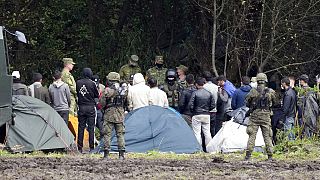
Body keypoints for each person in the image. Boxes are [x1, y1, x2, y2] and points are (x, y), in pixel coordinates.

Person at [245, 73, 278, 160]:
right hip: (266, 116)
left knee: (252, 135)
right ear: (265, 81)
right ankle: (270, 155)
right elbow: (275, 103)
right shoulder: (270, 92)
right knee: (267, 136)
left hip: (255, 116)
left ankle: (248, 155)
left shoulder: (253, 91)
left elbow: (247, 102)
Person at [100, 72, 126, 160]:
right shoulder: (123, 90)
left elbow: (102, 103)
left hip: (109, 114)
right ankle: (121, 155)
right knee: (120, 134)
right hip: (120, 114)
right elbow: (126, 102)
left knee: (107, 134)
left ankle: (106, 155)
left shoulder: (107, 90)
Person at [76, 68, 99, 152]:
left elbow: (77, 93)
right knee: (91, 127)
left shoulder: (78, 83)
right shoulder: (92, 83)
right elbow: (96, 95)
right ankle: (91, 147)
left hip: (81, 107)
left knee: (81, 127)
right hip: (90, 107)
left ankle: (79, 147)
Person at [188, 77, 215, 148]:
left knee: (197, 133)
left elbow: (190, 105)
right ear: (203, 84)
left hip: (196, 114)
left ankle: (198, 148)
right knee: (207, 133)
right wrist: (208, 110)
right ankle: (210, 149)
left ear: (196, 84)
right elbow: (213, 105)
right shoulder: (209, 93)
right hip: (206, 115)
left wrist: (192, 112)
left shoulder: (195, 93)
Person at [203, 71, 219, 136]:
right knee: (212, 128)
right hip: (214, 110)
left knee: (204, 129)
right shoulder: (216, 87)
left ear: (204, 79)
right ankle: (212, 142)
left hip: (205, 110)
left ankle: (204, 144)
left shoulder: (203, 87)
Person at [92, 75, 106, 140]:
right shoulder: (90, 86)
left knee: (101, 124)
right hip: (92, 107)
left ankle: (101, 139)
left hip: (100, 108)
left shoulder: (102, 87)